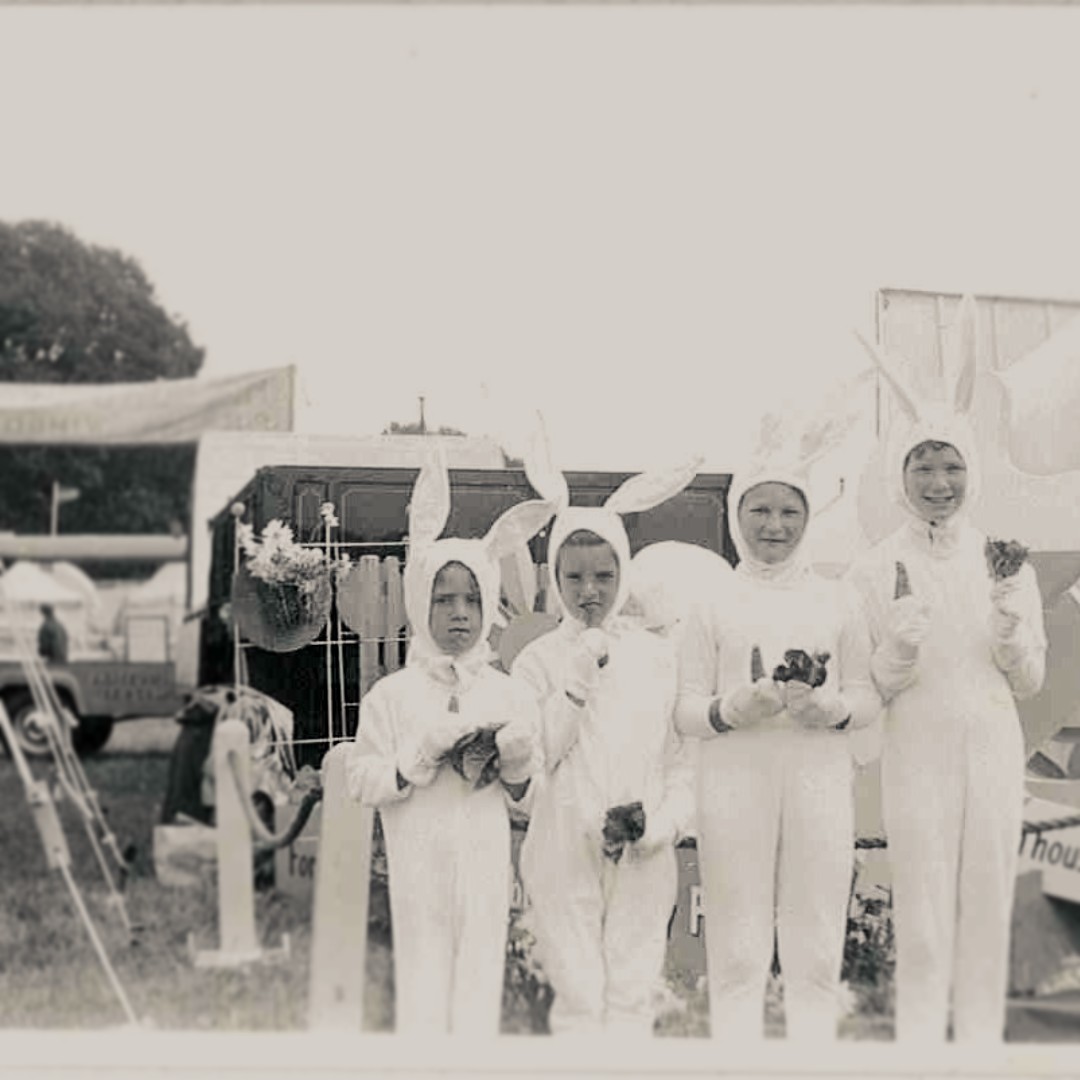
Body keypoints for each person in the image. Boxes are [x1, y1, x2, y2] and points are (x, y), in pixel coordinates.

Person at [848, 315, 1047, 1044]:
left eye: (952, 466)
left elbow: (1028, 681)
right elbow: (866, 686)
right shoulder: (875, 569)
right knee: (925, 912)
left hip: (992, 748)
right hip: (917, 755)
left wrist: (1010, 629)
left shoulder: (1004, 560)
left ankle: (984, 1047)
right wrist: (896, 652)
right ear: (901, 475)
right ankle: (923, 1050)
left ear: (973, 471)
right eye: (924, 466)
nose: (939, 483)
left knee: (987, 901)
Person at [345, 448, 552, 1036]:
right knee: (423, 971)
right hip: (417, 863)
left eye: (472, 599)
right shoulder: (393, 695)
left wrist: (516, 767)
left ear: (489, 605)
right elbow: (362, 779)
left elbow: (533, 799)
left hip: (485, 865)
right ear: (419, 602)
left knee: (479, 971)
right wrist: (412, 761)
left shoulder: (510, 693)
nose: (459, 614)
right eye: (443, 599)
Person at [675, 454, 880, 1045]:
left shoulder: (838, 600)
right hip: (733, 786)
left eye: (790, 511)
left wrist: (830, 709)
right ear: (737, 513)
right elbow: (686, 708)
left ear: (809, 517)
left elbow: (867, 699)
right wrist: (731, 709)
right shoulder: (711, 600)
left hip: (819, 784)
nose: (775, 525)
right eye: (760, 509)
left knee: (815, 943)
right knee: (738, 948)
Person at [512, 436, 699, 1037]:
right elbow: (534, 755)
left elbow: (683, 757)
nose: (590, 591)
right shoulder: (537, 661)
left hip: (643, 843)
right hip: (563, 842)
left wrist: (663, 823)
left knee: (631, 986)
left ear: (623, 570)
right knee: (579, 990)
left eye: (603, 575)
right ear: (556, 577)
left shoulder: (658, 657)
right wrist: (574, 681)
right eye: (574, 577)